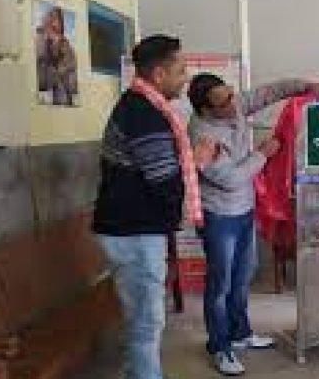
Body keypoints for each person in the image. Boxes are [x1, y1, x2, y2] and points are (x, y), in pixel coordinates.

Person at [93, 35, 217, 379]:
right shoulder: (144, 114)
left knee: (143, 321)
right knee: (146, 324)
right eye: (180, 71)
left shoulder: (145, 107)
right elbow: (165, 183)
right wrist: (198, 161)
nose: (186, 78)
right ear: (159, 74)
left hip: (134, 230)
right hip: (133, 233)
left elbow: (161, 173)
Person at [187, 73, 319, 375]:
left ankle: (240, 333)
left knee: (242, 277)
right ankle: (220, 347)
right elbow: (230, 179)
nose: (233, 104)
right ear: (205, 109)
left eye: (231, 95)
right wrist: (262, 154)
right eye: (223, 102)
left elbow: (268, 92)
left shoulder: (232, 105)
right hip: (219, 216)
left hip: (243, 211)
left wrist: (306, 86)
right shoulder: (203, 137)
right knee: (220, 284)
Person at [36, 6, 78, 106]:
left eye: (56, 19)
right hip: (46, 97)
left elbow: (73, 83)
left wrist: (60, 54)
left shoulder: (67, 47)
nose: (54, 23)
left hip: (63, 98)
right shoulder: (40, 40)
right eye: (50, 19)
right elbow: (41, 80)